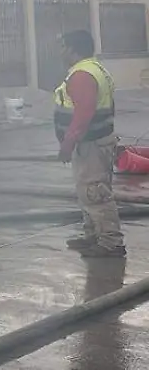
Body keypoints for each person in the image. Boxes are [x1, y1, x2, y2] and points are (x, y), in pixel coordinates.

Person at [55, 29, 125, 258]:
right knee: (89, 191)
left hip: (91, 143)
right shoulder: (95, 68)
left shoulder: (82, 74)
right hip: (96, 141)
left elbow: (84, 112)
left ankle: (110, 242)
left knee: (96, 192)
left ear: (73, 49)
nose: (61, 51)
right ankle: (93, 235)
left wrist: (68, 143)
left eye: (63, 46)